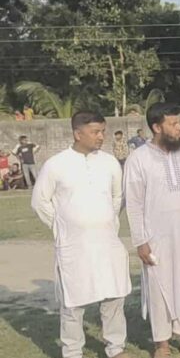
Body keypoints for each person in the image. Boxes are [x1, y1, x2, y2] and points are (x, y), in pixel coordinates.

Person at [31, 111, 132, 358]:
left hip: (107, 242)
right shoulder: (56, 164)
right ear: (78, 133)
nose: (101, 136)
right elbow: (39, 201)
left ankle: (115, 348)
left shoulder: (109, 162)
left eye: (103, 131)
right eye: (95, 132)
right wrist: (61, 225)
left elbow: (118, 197)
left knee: (113, 297)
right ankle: (73, 351)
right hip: (74, 245)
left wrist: (108, 220)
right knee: (73, 303)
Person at [124, 103, 180, 357]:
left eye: (179, 123)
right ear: (157, 127)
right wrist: (141, 241)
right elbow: (134, 203)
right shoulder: (138, 159)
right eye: (173, 124)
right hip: (157, 237)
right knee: (160, 289)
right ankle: (162, 344)